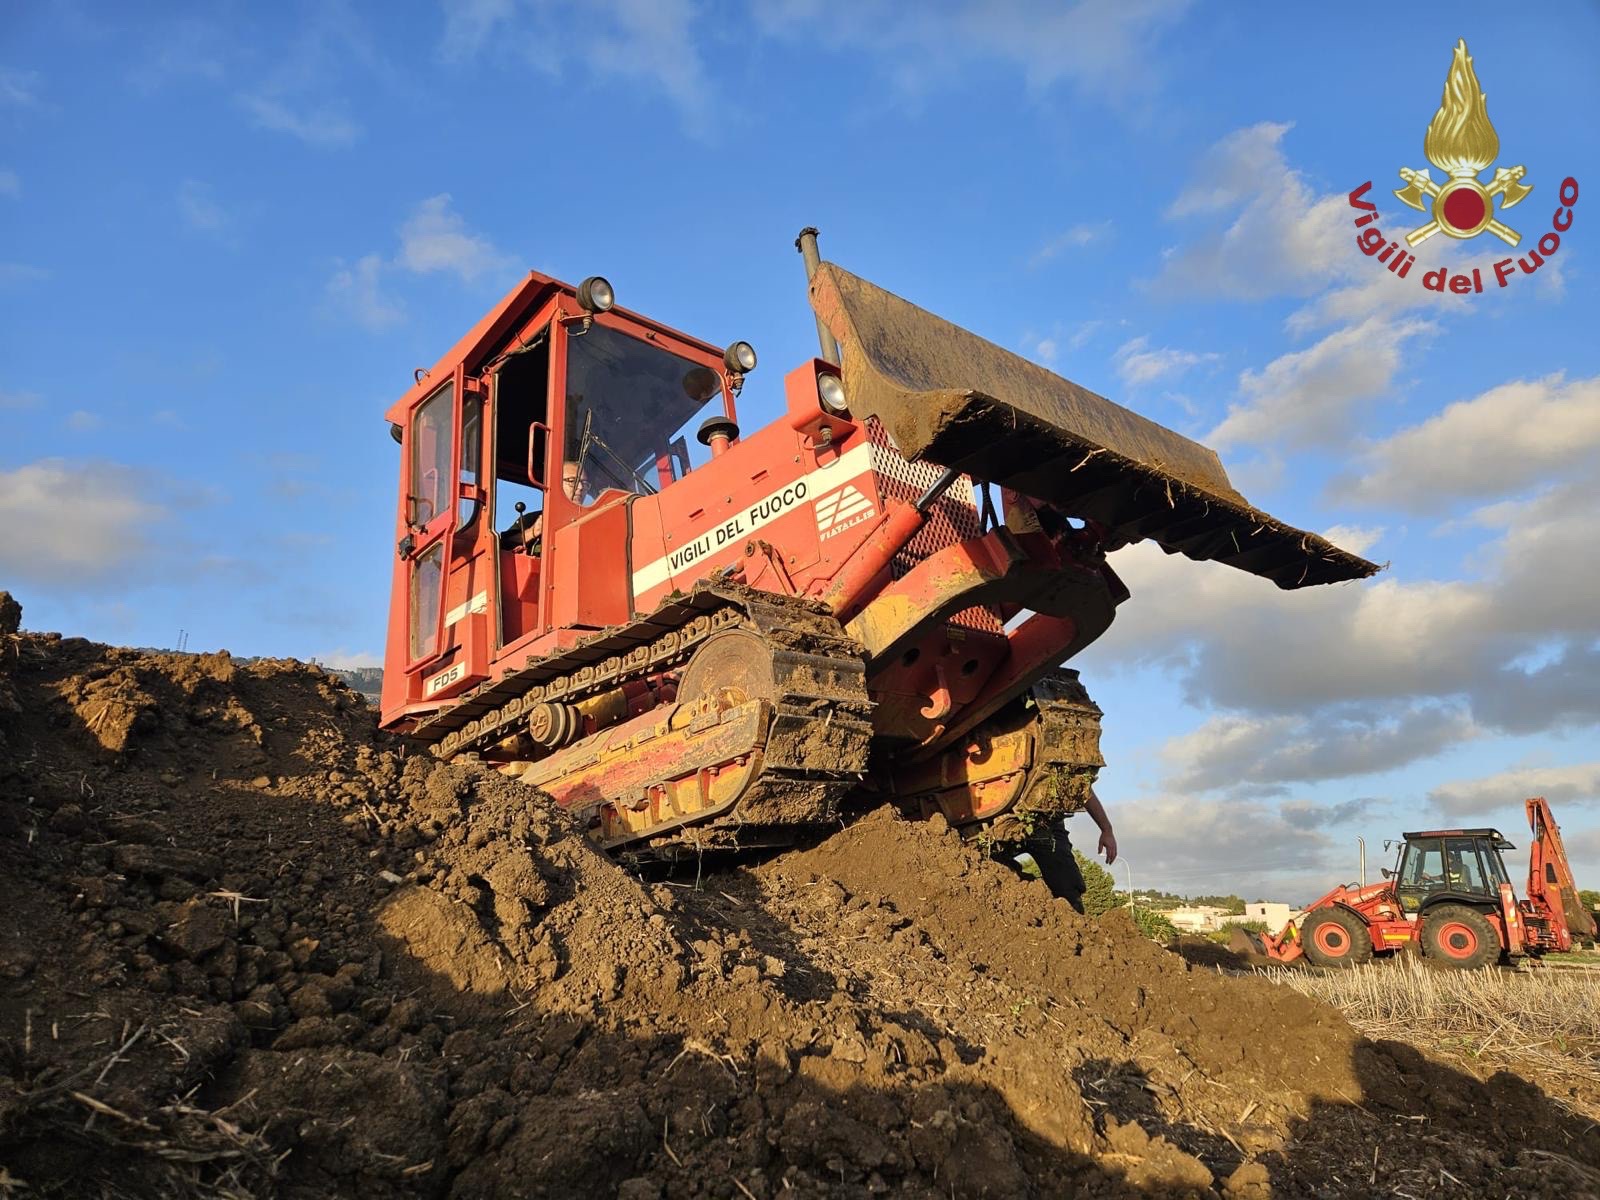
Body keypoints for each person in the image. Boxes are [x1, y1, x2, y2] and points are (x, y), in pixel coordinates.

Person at [1003, 787, 1117, 914]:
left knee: (1068, 890)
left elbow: (1082, 786)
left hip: (1047, 825)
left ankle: (1074, 926)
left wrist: (1106, 829)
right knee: (990, 874)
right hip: (997, 824)